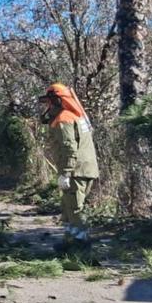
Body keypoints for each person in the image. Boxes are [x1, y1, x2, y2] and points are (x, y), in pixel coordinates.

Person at [39, 83, 99, 246]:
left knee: (75, 208)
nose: (48, 106)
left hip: (75, 170)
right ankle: (70, 241)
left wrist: (66, 173)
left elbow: (69, 148)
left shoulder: (63, 119)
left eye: (49, 102)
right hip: (84, 168)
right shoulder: (75, 116)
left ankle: (81, 244)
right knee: (68, 208)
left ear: (57, 100)